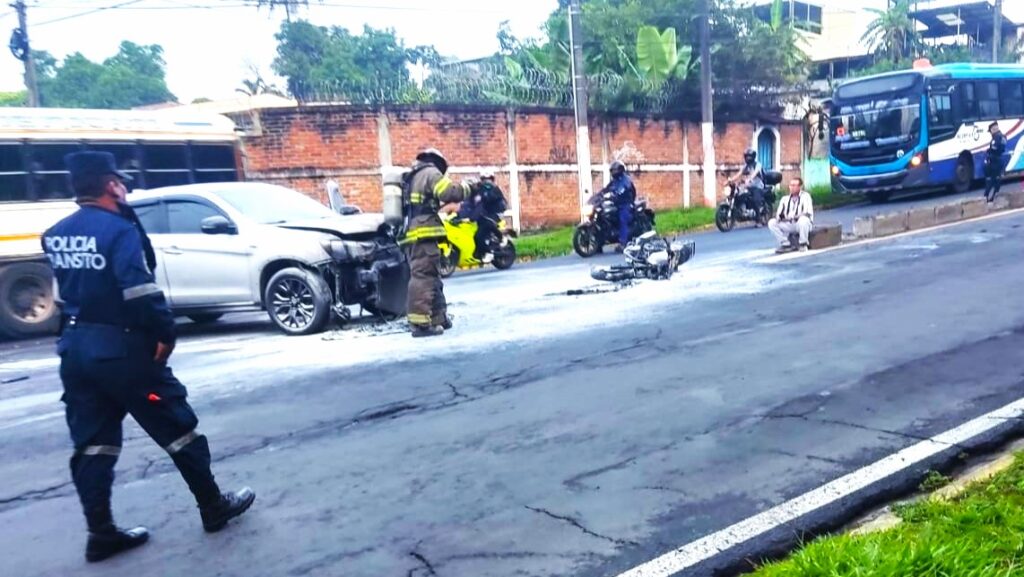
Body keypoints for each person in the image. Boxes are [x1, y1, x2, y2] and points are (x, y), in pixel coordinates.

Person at [41, 152, 255, 563]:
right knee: (178, 428)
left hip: (76, 350)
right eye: (119, 181)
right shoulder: (118, 230)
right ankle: (213, 506)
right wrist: (164, 332)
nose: (124, 187)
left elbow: (63, 295)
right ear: (109, 185)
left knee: (93, 444)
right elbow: (137, 289)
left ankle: (100, 533)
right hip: (123, 351)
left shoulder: (55, 233)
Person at [402, 148, 475, 338]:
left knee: (431, 275)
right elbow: (448, 192)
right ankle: (420, 324)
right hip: (423, 233)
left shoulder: (414, 177)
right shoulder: (429, 173)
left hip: (418, 233)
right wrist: (468, 187)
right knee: (423, 276)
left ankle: (438, 317)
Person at [457, 169, 508, 263]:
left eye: (489, 179)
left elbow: (489, 199)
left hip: (495, 213)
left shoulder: (494, 189)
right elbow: (468, 206)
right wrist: (459, 216)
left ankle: (495, 244)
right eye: (484, 179)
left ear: (492, 179)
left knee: (481, 232)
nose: (486, 181)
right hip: (484, 215)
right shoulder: (476, 193)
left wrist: (483, 196)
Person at [768, 176, 814, 253]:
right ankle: (785, 244)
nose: (792, 188)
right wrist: (783, 218)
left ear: (800, 187)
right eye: (790, 185)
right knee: (772, 222)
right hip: (789, 223)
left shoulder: (805, 196)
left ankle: (803, 243)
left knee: (803, 220)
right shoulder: (785, 199)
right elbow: (779, 215)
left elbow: (807, 213)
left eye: (794, 185)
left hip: (801, 224)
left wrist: (794, 217)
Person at [600, 160, 637, 250]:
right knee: (604, 216)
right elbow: (606, 189)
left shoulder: (626, 180)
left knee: (622, 220)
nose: (613, 172)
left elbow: (622, 190)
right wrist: (599, 195)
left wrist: (614, 195)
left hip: (626, 204)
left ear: (620, 170)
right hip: (617, 204)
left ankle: (623, 243)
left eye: (615, 170)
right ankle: (599, 243)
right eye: (612, 171)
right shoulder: (614, 181)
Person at [728, 148, 766, 219]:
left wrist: (749, 179)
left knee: (755, 200)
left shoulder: (758, 165)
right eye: (746, 156)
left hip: (758, 186)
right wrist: (730, 180)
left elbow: (755, 172)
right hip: (748, 186)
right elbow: (739, 174)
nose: (748, 158)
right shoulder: (746, 166)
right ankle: (741, 210)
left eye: (749, 156)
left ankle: (759, 219)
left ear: (753, 157)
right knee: (738, 194)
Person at [984, 122, 1007, 202]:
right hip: (998, 161)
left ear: (993, 129)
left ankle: (987, 197)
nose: (990, 133)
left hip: (995, 161)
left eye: (990, 131)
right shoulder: (1002, 136)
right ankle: (993, 196)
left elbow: (995, 148)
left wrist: (988, 151)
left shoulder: (997, 137)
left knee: (991, 179)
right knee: (996, 179)